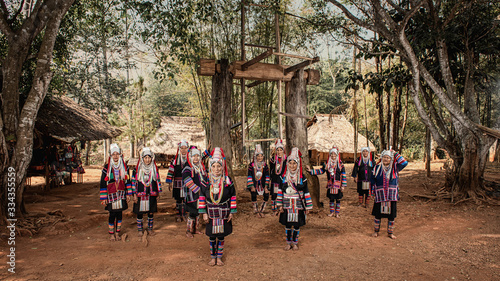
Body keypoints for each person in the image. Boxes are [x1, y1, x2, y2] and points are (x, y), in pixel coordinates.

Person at [199, 147, 237, 266]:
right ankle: (212, 257)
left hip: (224, 213)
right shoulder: (206, 180)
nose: (216, 169)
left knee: (221, 236)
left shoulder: (227, 181)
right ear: (210, 166)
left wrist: (231, 212)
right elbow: (201, 196)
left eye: (219, 166)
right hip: (211, 213)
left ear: (222, 166)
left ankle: (219, 257)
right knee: (211, 236)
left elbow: (233, 196)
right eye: (214, 166)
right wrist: (204, 212)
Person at [277, 147, 313, 251]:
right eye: (290, 163)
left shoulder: (302, 178)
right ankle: (288, 243)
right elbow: (280, 191)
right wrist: (279, 206)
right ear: (287, 164)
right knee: (288, 225)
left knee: (297, 225)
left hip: (298, 205)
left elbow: (306, 192)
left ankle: (295, 243)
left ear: (298, 164)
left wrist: (309, 207)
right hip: (286, 205)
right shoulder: (283, 177)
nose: (292, 166)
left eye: (294, 163)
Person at [370, 149, 408, 239]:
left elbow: (404, 163)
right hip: (380, 195)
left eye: (388, 158)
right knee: (377, 214)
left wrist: (395, 154)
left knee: (391, 215)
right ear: (381, 158)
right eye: (384, 157)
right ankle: (376, 231)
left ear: (391, 159)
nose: (386, 159)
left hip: (391, 196)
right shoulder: (376, 168)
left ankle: (390, 233)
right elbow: (372, 180)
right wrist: (372, 192)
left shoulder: (395, 167)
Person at [99, 143, 133, 241]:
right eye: (113, 154)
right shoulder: (107, 167)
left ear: (120, 155)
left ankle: (117, 233)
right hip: (111, 195)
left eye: (117, 154)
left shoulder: (124, 166)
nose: (115, 156)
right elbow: (102, 182)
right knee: (112, 214)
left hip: (121, 194)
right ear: (110, 155)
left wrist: (128, 194)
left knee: (119, 214)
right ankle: (111, 234)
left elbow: (127, 180)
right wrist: (104, 198)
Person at [307, 147, 346, 217]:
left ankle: (337, 213)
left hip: (338, 185)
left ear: (337, 155)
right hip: (330, 184)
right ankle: (331, 212)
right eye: (332, 155)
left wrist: (343, 185)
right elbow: (321, 171)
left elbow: (343, 175)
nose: (333, 157)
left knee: (338, 199)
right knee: (331, 199)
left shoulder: (340, 164)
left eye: (335, 155)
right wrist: (311, 171)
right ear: (330, 155)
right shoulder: (327, 164)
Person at [132, 147, 161, 238]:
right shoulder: (137, 170)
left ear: (152, 158)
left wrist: (158, 193)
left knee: (151, 212)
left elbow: (158, 180)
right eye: (145, 158)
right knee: (139, 212)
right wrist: (134, 194)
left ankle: (150, 229)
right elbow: (133, 182)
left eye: (149, 158)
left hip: (151, 194)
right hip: (140, 194)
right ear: (142, 158)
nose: (147, 160)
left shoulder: (154, 169)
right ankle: (140, 230)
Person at [182, 146, 208, 238]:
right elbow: (187, 180)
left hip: (199, 195)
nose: (196, 158)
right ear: (190, 157)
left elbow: (205, 178)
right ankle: (188, 231)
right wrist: (198, 189)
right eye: (194, 156)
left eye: (197, 156)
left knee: (197, 212)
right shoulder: (187, 168)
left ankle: (195, 229)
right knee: (192, 212)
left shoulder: (201, 167)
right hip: (191, 195)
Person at [166, 139, 189, 222]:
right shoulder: (175, 160)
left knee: (185, 199)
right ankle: (178, 215)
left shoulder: (190, 160)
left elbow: (199, 157)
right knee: (178, 200)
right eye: (182, 148)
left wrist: (207, 152)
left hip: (187, 183)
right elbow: (171, 171)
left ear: (187, 149)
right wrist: (169, 183)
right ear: (179, 149)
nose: (183, 150)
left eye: (185, 148)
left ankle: (184, 214)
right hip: (177, 183)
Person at [246, 144, 270, 217]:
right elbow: (249, 176)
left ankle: (262, 210)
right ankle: (256, 211)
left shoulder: (265, 165)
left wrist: (266, 186)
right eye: (258, 156)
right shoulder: (251, 165)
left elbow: (267, 176)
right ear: (255, 157)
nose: (260, 157)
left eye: (261, 156)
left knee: (266, 195)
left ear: (263, 157)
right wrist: (251, 186)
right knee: (253, 195)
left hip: (262, 184)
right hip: (254, 183)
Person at [269, 139, 286, 214]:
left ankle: (281, 208)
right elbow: (271, 170)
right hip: (275, 180)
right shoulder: (273, 160)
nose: (279, 152)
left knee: (283, 193)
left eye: (280, 150)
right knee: (274, 194)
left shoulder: (286, 159)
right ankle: (274, 209)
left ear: (283, 150)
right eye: (277, 150)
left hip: (283, 180)